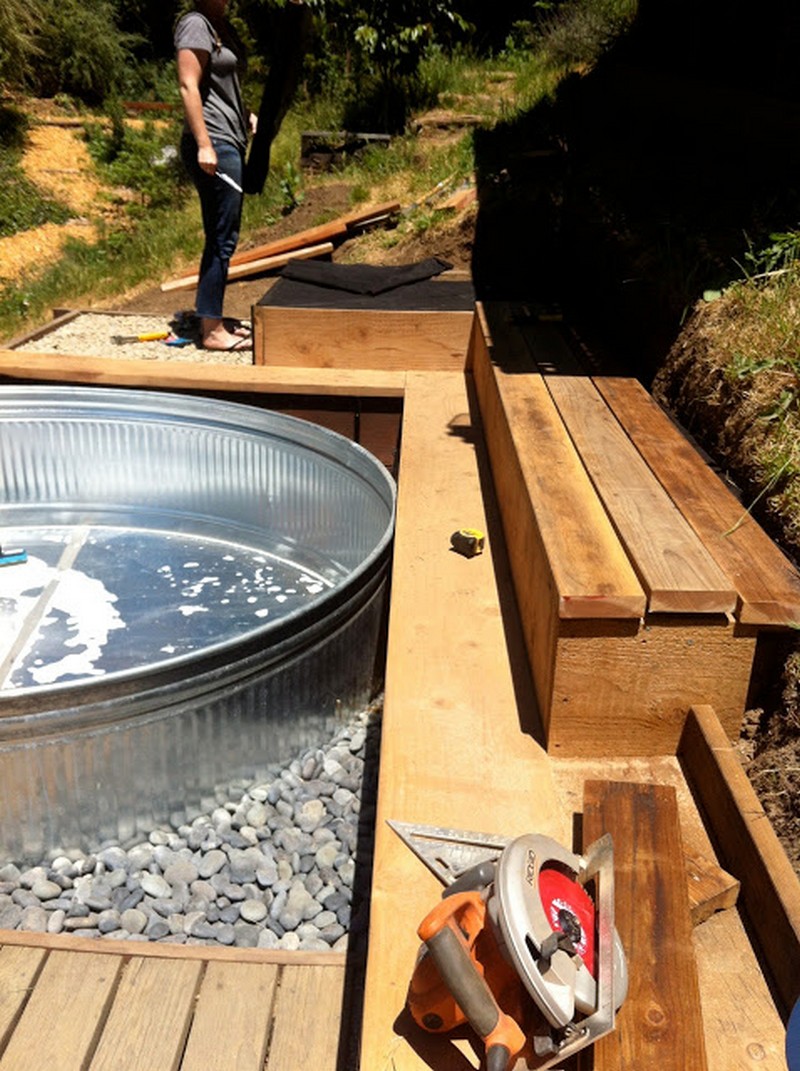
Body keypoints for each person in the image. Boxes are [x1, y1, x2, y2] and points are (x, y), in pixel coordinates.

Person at [175, 0, 254, 352]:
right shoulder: (195, 23)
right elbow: (188, 85)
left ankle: (212, 318)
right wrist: (204, 144)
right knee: (223, 235)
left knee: (221, 233)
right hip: (214, 143)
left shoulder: (221, 25)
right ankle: (211, 330)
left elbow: (223, 85)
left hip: (229, 138)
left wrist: (247, 114)